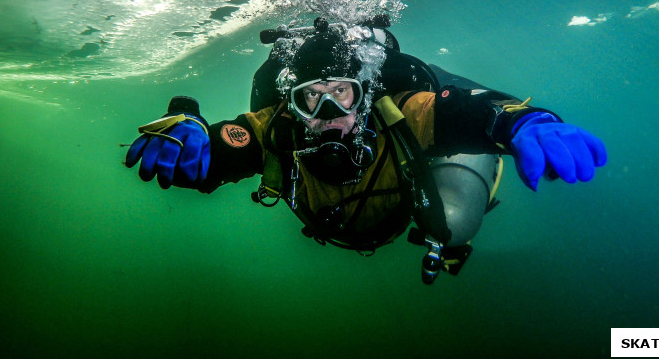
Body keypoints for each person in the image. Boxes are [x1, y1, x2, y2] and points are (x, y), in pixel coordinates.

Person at [125, 17, 607, 283]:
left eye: (344, 93)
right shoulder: (279, 128)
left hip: (415, 204)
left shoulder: (399, 112)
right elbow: (218, 153)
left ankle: (459, 201)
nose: (331, 110)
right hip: (349, 225)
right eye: (311, 97)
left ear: (367, 93)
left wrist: (522, 121)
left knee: (451, 225)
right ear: (291, 106)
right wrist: (189, 131)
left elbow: (465, 113)